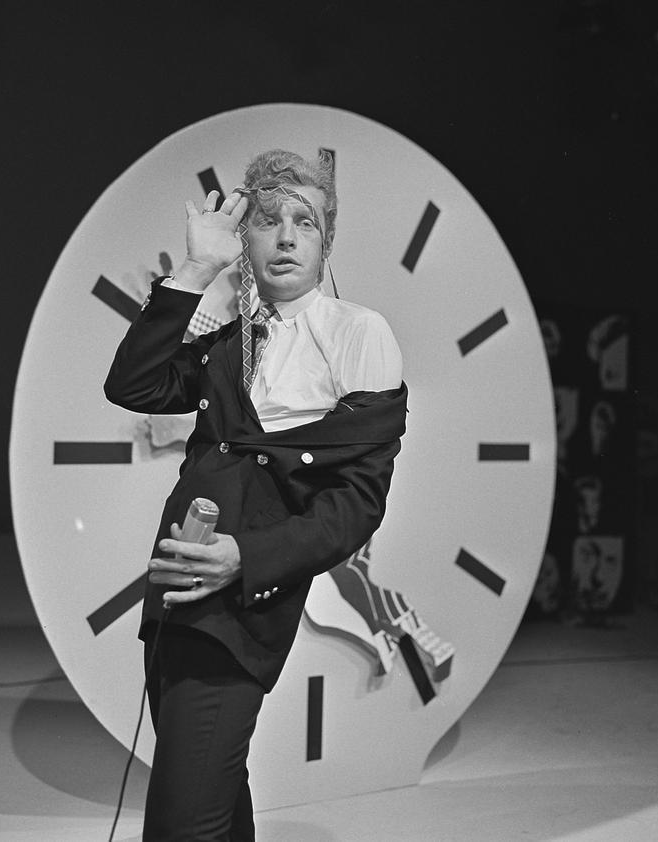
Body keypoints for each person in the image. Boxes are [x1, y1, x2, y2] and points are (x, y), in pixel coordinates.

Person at [104, 148, 407, 842]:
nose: (287, 237)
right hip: (178, 582)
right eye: (268, 221)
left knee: (183, 820)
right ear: (247, 240)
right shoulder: (230, 342)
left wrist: (245, 558)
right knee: (209, 795)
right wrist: (195, 271)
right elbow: (134, 385)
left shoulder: (359, 332)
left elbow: (357, 504)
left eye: (305, 221)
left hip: (243, 602)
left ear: (327, 239)